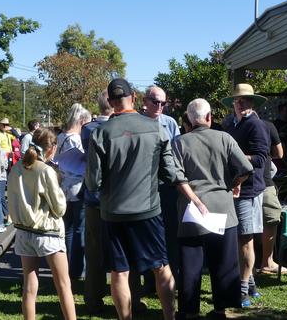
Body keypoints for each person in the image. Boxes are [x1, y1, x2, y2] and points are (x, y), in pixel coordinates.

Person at [85, 78, 208, 320]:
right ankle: (169, 317)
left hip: (113, 213)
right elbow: (171, 172)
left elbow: (92, 183)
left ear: (110, 102)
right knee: (161, 267)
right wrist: (195, 198)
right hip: (148, 212)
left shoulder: (100, 133)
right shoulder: (156, 128)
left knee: (119, 273)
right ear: (133, 97)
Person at [173, 99, 254, 320]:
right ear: (209, 117)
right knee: (223, 262)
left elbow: (177, 177)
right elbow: (246, 167)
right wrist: (236, 183)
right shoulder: (225, 138)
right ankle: (220, 310)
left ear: (189, 120)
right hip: (222, 209)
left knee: (191, 264)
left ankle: (190, 311)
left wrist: (196, 200)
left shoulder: (179, 143)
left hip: (192, 211)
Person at [7, 128, 76, 320]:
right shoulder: (45, 170)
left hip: (23, 232)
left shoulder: (17, 167)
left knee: (29, 286)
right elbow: (60, 208)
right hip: (47, 233)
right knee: (63, 285)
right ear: (52, 148)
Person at [221, 83, 270, 307]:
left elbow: (261, 159)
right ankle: (250, 284)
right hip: (233, 187)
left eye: (246, 100)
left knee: (245, 239)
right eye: (238, 100)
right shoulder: (230, 123)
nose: (241, 104)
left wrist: (237, 156)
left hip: (249, 189)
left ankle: (242, 290)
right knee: (238, 238)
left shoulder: (256, 125)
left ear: (252, 103)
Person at [142, 85, 181, 278]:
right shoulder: (138, 123)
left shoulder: (170, 123)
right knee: (148, 233)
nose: (159, 106)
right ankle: (150, 278)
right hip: (144, 188)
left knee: (169, 231)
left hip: (166, 186)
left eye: (163, 103)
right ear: (145, 101)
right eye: (155, 101)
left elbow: (177, 155)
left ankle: (170, 272)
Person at [81, 90, 113, 314]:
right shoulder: (116, 128)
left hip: (93, 197)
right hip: (115, 197)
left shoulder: (87, 129)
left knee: (94, 250)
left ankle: (93, 296)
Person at [56, 103, 92, 281]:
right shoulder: (75, 139)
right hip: (77, 184)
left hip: (64, 186)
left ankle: (69, 267)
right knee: (79, 228)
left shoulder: (61, 136)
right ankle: (78, 269)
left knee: (68, 228)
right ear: (81, 121)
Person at [260, 120, 286, 274]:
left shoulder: (232, 127)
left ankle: (259, 263)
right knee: (270, 220)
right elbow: (279, 153)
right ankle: (267, 261)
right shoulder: (268, 126)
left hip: (241, 183)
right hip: (263, 182)